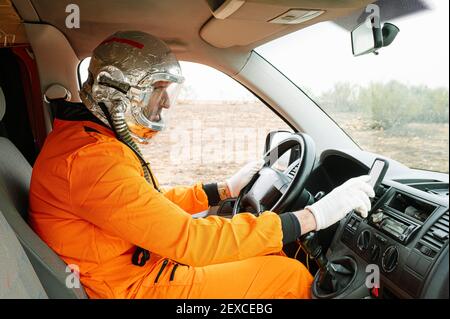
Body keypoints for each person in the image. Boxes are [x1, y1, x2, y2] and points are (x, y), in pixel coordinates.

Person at [29, 31, 374, 299]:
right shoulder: (90, 161)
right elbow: (190, 240)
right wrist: (312, 217)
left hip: (138, 266)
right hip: (133, 286)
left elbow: (147, 205)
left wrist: (222, 190)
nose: (162, 106)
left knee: (274, 260)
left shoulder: (85, 141)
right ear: (115, 91)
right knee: (290, 277)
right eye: (156, 93)